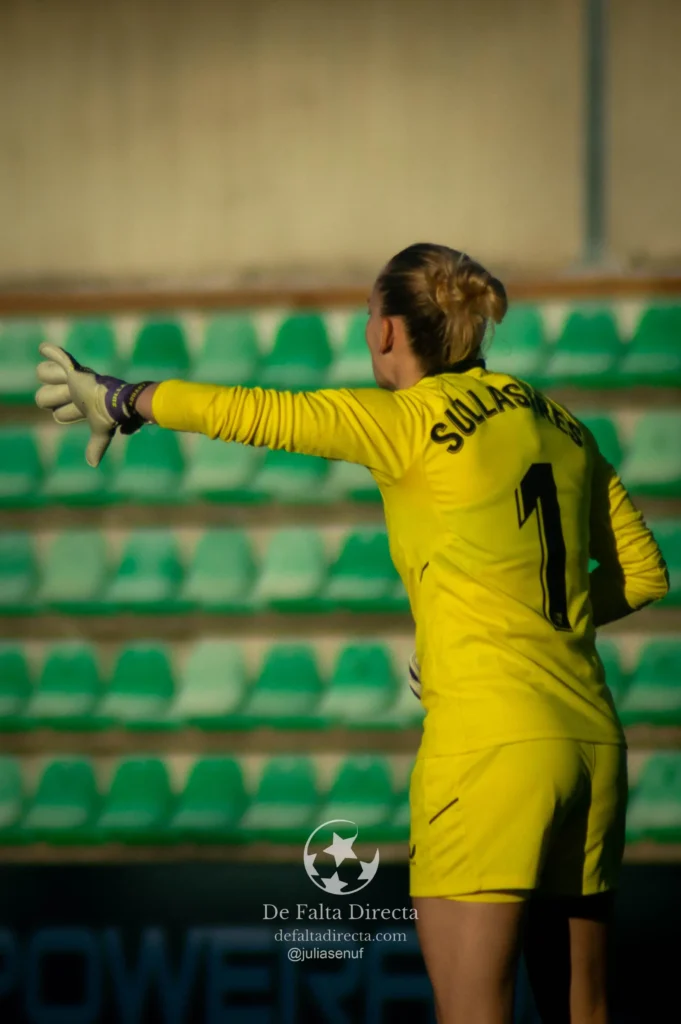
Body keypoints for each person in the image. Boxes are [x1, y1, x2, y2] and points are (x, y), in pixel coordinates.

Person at [35, 244, 669, 1024]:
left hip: (487, 744)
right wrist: (527, 622)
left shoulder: (404, 421)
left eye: (371, 313)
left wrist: (127, 396)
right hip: (591, 745)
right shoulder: (563, 423)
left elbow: (256, 412)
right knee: (586, 1012)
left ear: (387, 333)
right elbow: (643, 574)